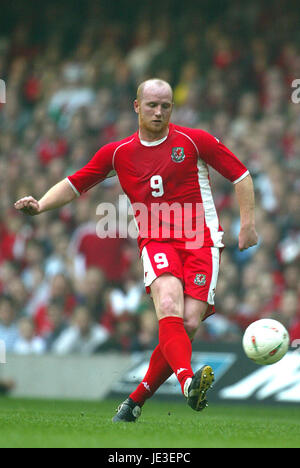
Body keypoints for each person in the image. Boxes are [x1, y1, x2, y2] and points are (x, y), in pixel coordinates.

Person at [14, 78, 258, 422]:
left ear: (172, 108)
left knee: (187, 322)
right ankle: (189, 383)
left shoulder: (194, 140)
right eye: (152, 105)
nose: (159, 112)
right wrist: (40, 205)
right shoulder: (118, 152)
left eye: (165, 106)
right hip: (156, 241)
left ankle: (134, 401)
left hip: (200, 240)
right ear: (137, 107)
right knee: (169, 303)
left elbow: (241, 175)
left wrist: (247, 224)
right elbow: (75, 184)